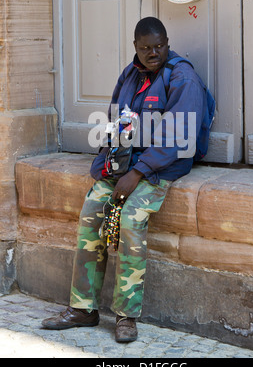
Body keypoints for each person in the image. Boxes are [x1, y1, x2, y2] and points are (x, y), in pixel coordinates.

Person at [42, 17, 207, 342]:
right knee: (91, 211)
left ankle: (125, 316)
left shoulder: (182, 76)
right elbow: (116, 122)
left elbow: (177, 137)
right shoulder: (130, 75)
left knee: (131, 219)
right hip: (126, 165)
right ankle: (83, 309)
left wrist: (136, 173)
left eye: (159, 46)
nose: (153, 53)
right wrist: (107, 166)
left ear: (167, 43)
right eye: (146, 48)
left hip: (162, 167)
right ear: (136, 48)